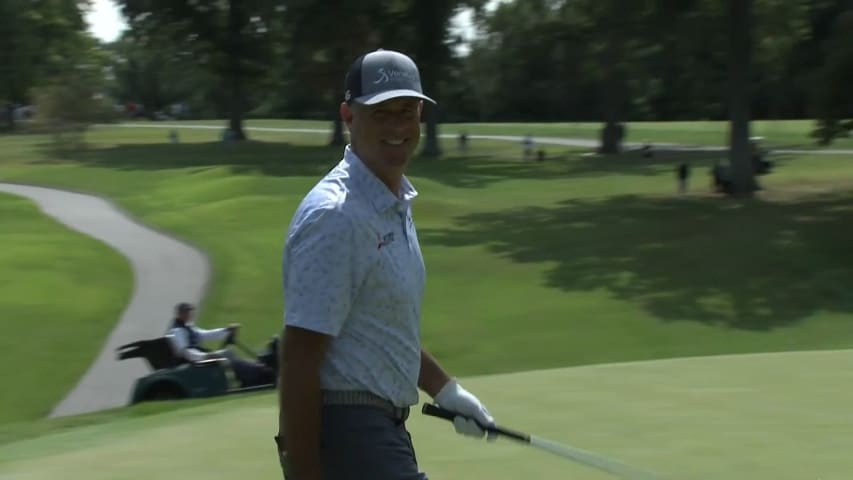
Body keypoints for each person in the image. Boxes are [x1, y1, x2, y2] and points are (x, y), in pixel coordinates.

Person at [276, 49, 497, 480]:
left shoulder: (390, 202)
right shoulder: (337, 215)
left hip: (385, 433)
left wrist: (446, 391)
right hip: (347, 436)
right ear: (348, 115)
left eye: (408, 111)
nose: (397, 126)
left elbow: (379, 328)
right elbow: (299, 359)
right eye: (381, 113)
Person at [166, 302, 274, 388]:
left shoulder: (188, 326)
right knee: (227, 353)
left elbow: (205, 335)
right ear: (180, 314)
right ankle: (257, 373)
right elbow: (185, 351)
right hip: (196, 360)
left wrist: (226, 331)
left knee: (229, 353)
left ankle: (255, 370)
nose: (190, 315)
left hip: (199, 357)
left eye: (190, 313)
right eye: (187, 313)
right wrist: (204, 356)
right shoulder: (178, 331)